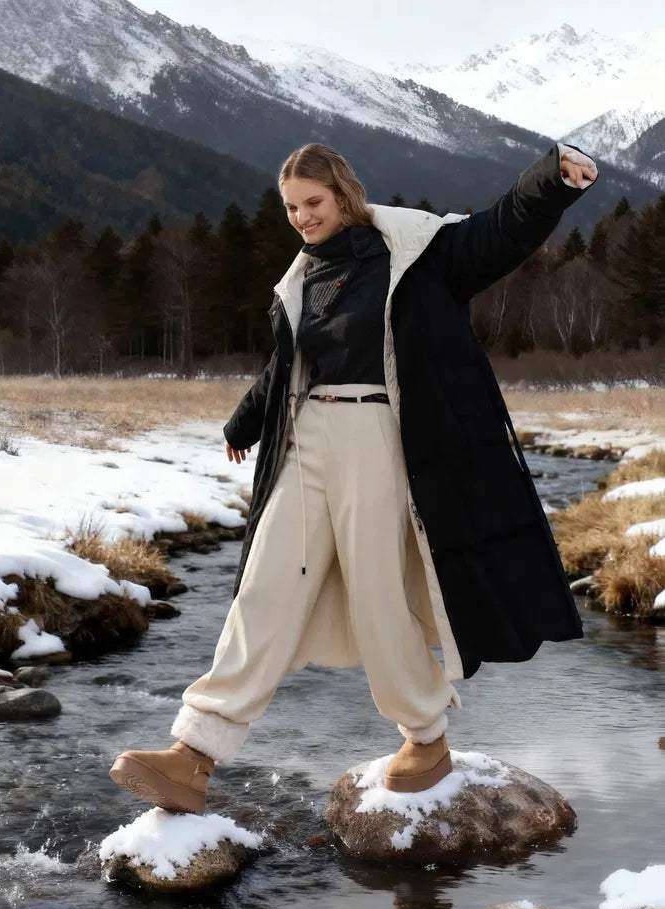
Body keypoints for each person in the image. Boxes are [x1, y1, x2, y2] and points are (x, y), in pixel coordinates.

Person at [110, 140, 599, 815]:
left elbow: (498, 231)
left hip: (377, 436)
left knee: (377, 594)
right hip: (306, 437)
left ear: (343, 194)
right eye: (290, 208)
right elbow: (289, 363)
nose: (302, 217)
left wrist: (552, 179)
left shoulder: (414, 251)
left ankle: (425, 737)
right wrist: (243, 423)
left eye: (312, 202)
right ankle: (194, 754)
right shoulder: (303, 277)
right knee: (264, 586)